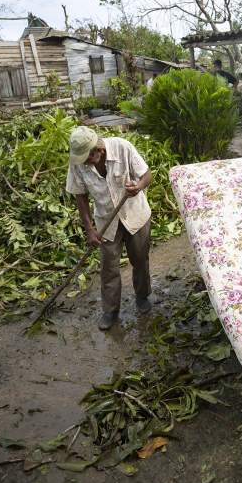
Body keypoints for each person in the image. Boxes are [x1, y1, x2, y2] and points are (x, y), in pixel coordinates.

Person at [66, 126, 152, 330]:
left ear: (99, 150)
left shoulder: (122, 147)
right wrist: (89, 230)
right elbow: (80, 195)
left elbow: (146, 174)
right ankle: (110, 310)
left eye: (87, 158)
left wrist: (138, 187)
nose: (84, 163)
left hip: (135, 214)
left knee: (139, 259)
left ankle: (142, 296)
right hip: (106, 221)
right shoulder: (77, 162)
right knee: (108, 267)